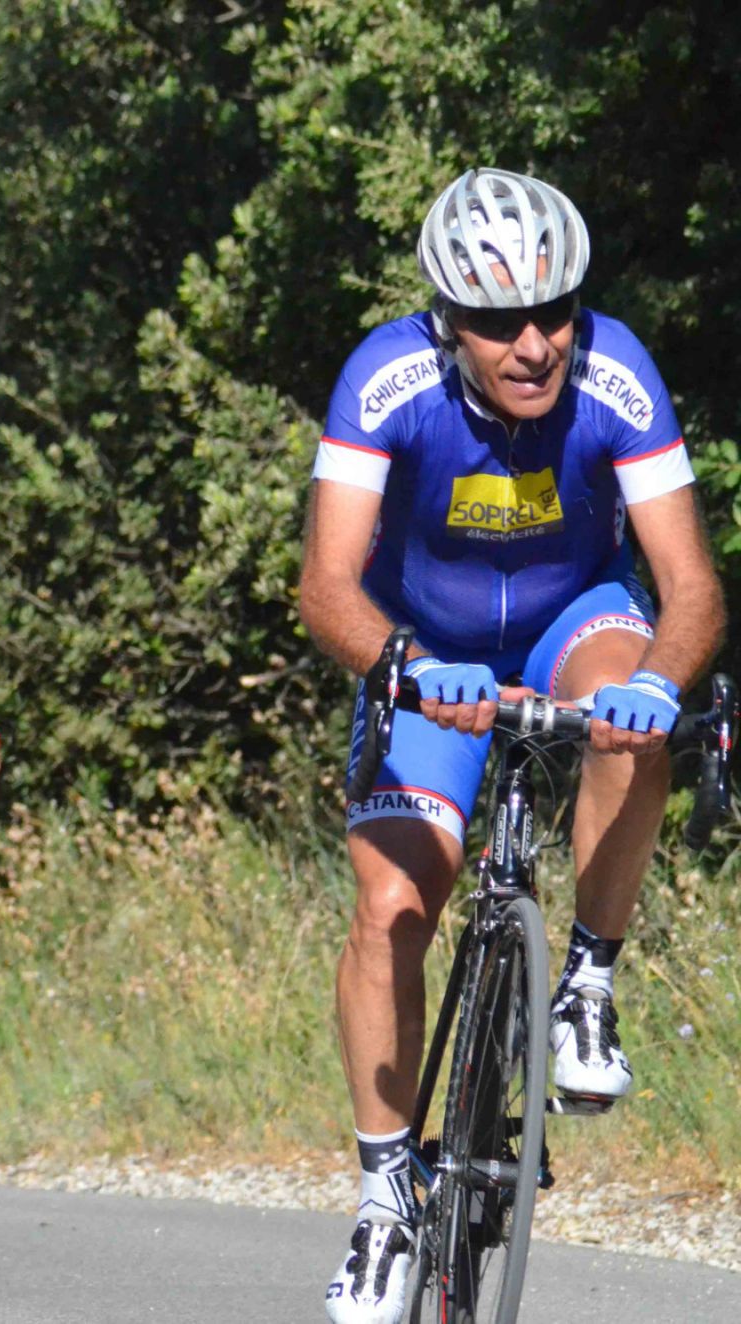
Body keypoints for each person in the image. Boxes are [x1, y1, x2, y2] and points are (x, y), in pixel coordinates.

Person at [299, 168, 725, 1322]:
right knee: (391, 909)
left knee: (628, 717)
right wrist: (400, 663)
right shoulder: (384, 377)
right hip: (426, 649)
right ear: (447, 320)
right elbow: (325, 585)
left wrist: (657, 684)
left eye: (551, 312)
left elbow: (688, 585)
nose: (532, 344)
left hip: (570, 620)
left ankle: (583, 980)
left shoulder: (615, 369)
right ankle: (385, 1198)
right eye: (497, 322)